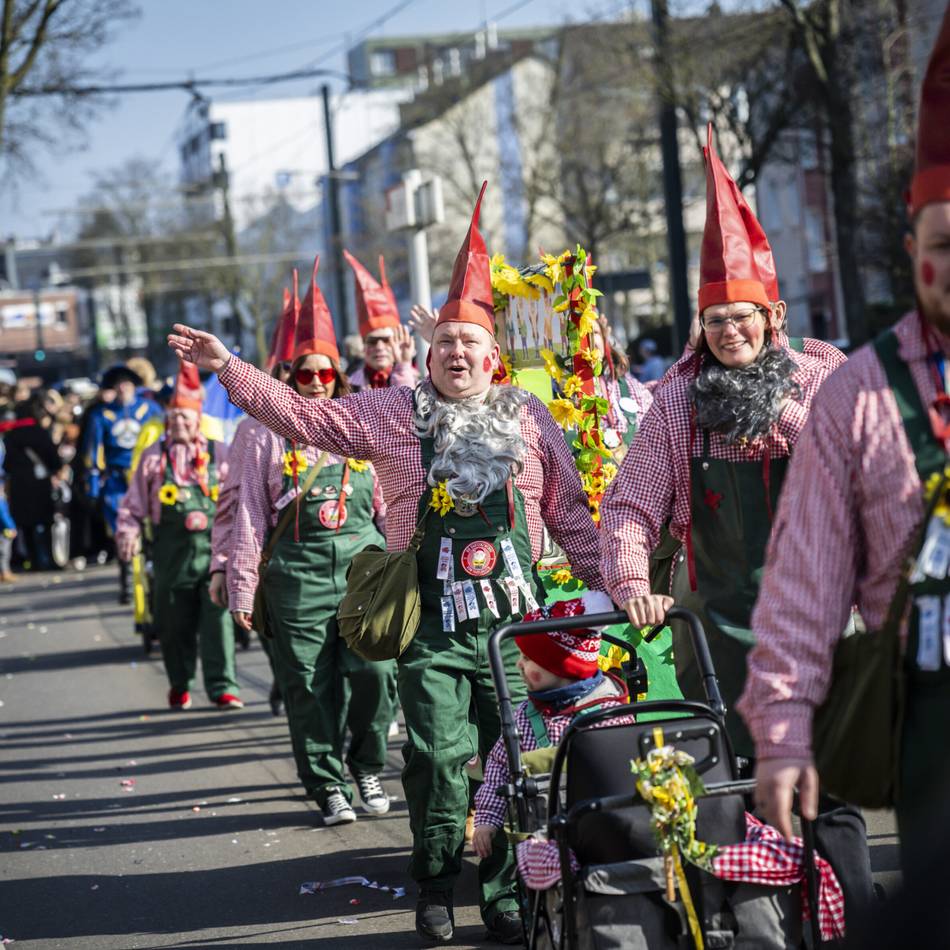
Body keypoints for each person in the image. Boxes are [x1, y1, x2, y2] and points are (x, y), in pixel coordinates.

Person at [167, 181, 604, 946]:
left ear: (494, 358)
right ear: (426, 354)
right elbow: (303, 415)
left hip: (519, 626)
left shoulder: (529, 417)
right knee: (438, 759)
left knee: (513, 760)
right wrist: (230, 368)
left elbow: (569, 512)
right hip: (431, 626)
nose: (457, 354)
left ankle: (502, 894)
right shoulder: (390, 415)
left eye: (471, 344)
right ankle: (436, 884)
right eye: (445, 345)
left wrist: (617, 590)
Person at [739, 6, 950, 871]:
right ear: (911, 251)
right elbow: (806, 580)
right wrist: (784, 732)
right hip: (933, 709)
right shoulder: (856, 397)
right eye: (947, 243)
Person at [599, 126, 836, 760]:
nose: (729, 331)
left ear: (773, 316)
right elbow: (630, 505)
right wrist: (630, 582)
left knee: (825, 763)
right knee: (736, 767)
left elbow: (856, 468)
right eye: (715, 320)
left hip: (817, 602)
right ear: (699, 327)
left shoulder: (821, 374)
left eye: (742, 316)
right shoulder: (678, 399)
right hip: (718, 622)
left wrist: (771, 409)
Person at [229, 259, 395, 822]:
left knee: (375, 673)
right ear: (288, 378)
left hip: (362, 570)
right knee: (306, 685)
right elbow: (248, 512)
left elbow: (390, 504)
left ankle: (368, 766)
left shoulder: (360, 419)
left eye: (327, 374)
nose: (318, 383)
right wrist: (239, 582)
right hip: (295, 579)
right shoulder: (259, 432)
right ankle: (326, 783)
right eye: (306, 375)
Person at [115, 362, 242, 711]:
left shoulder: (220, 452)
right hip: (172, 555)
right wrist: (127, 532)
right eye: (173, 418)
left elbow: (242, 497)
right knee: (172, 624)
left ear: (198, 418)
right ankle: (180, 683)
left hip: (215, 552)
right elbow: (132, 504)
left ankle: (222, 687)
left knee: (217, 621)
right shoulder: (154, 457)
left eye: (185, 418)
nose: (178, 424)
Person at [472, 591, 627, 860]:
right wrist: (487, 819)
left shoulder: (607, 712)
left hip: (603, 823)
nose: (519, 664)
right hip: (543, 832)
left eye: (530, 659)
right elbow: (499, 765)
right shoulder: (525, 715)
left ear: (563, 668)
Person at [210, 283, 299, 717]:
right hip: (269, 564)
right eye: (287, 369)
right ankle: (287, 682)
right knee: (281, 646)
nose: (298, 378)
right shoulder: (252, 431)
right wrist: (222, 566)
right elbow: (233, 505)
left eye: (307, 370)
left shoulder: (344, 418)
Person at [83, 364, 162, 602]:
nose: (122, 387)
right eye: (118, 383)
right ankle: (127, 581)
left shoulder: (150, 409)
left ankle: (153, 580)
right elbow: (93, 453)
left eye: (127, 383)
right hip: (117, 481)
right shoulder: (101, 416)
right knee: (122, 531)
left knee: (151, 530)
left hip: (147, 478)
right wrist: (94, 488)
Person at [342, 249, 419, 391]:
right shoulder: (347, 386)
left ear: (397, 340)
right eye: (372, 341)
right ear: (363, 345)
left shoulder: (421, 382)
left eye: (385, 340)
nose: (379, 347)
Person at [1, 395, 62, 571]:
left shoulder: (10, 436)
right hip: (40, 483)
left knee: (26, 525)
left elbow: (7, 464)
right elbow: (53, 459)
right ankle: (49, 559)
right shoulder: (40, 433)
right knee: (45, 521)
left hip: (20, 485)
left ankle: (33, 560)